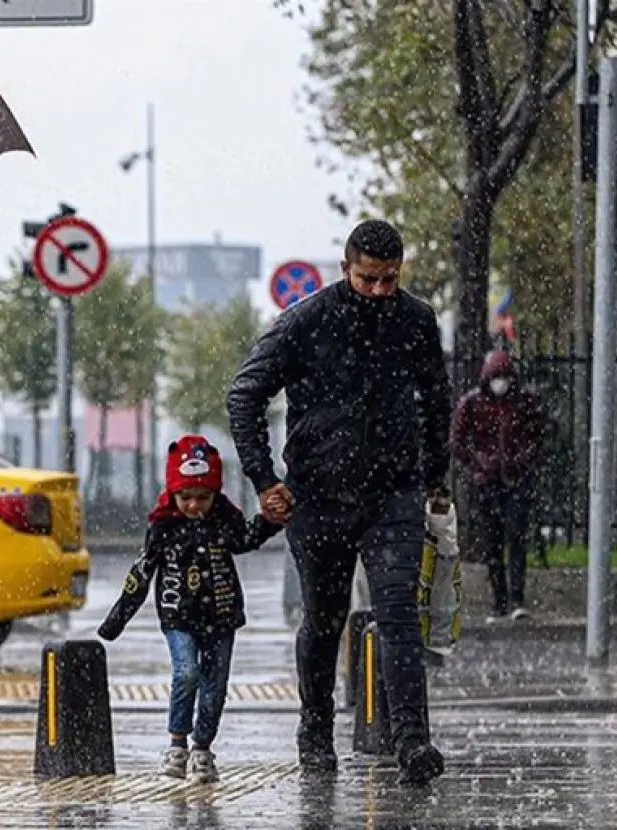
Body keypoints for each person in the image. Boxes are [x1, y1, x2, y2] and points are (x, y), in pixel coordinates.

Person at [226, 219, 452, 786]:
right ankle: (315, 730)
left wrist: (435, 475)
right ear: (345, 268)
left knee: (399, 613)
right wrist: (264, 479)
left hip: (392, 492)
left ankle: (412, 741)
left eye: (389, 281)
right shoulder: (305, 322)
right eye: (368, 279)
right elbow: (245, 394)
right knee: (323, 622)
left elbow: (437, 396)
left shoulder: (415, 321)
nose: (379, 291)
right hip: (319, 496)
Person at [97, 435, 283, 783]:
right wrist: (116, 620)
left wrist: (271, 520)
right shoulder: (163, 527)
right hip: (177, 617)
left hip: (221, 617)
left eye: (203, 497)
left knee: (216, 685)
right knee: (187, 672)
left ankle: (202, 749)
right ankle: (176, 743)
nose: (194, 505)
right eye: (186, 497)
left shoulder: (224, 520)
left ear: (215, 494)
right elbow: (141, 572)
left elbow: (245, 540)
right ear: (173, 494)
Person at [450, 349, 546, 624]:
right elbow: (458, 442)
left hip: (515, 480)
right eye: (496, 378)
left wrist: (519, 462)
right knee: (492, 543)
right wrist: (481, 463)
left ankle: (516, 598)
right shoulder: (472, 404)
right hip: (487, 483)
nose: (500, 383)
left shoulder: (524, 403)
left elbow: (537, 438)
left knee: (515, 536)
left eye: (504, 377)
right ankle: (499, 601)